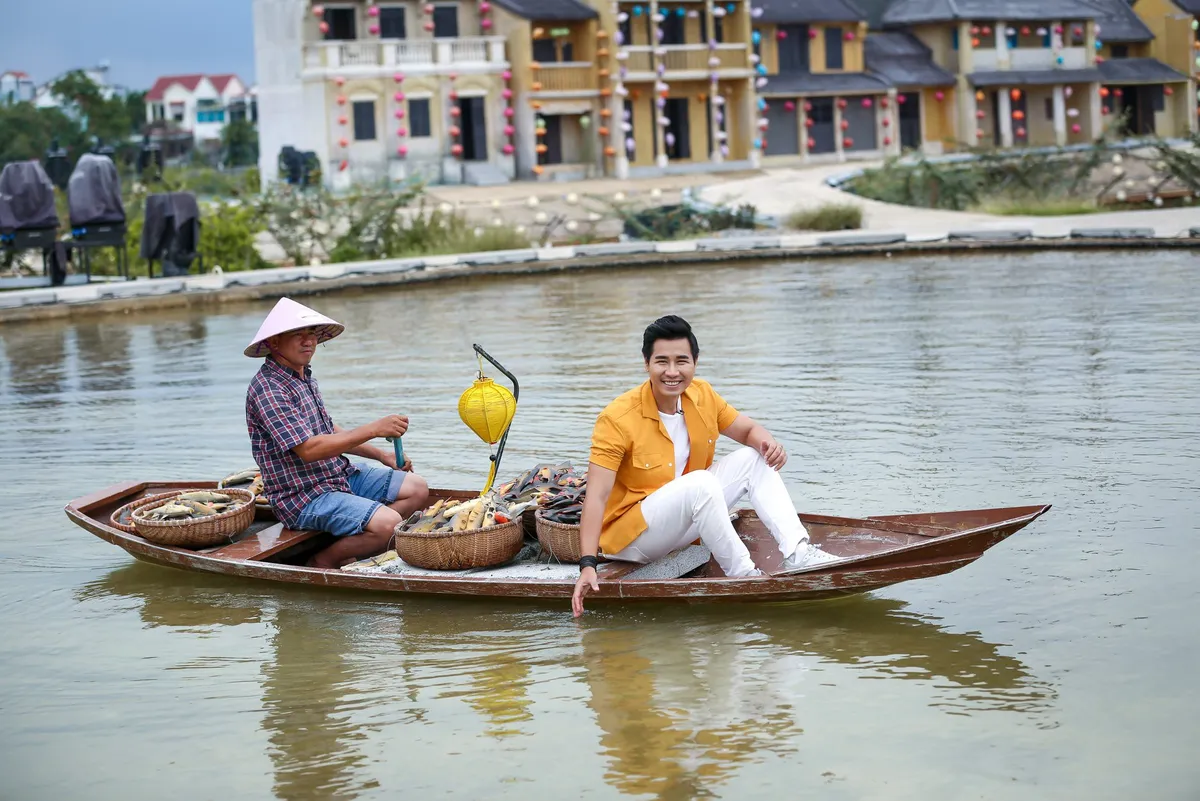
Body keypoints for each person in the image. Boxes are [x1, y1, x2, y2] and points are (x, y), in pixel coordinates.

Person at [571, 315, 839, 616]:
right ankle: (743, 575)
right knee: (701, 482)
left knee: (754, 456)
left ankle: (798, 553)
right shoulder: (616, 418)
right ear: (646, 363)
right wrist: (588, 565)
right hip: (634, 538)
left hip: (686, 518)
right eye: (662, 361)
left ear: (695, 362)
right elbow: (595, 497)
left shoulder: (703, 395)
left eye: (681, 361)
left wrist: (771, 444)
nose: (672, 372)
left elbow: (749, 431)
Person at [244, 297, 430, 569]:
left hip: (337, 475)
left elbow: (328, 429)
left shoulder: (302, 375)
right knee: (390, 525)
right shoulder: (269, 389)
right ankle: (323, 560)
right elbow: (309, 449)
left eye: (312, 334)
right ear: (274, 343)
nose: (308, 341)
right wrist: (373, 430)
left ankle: (366, 538)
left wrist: (381, 454)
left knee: (417, 488)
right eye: (298, 335)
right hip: (303, 495)